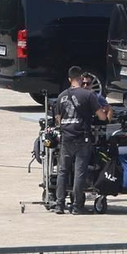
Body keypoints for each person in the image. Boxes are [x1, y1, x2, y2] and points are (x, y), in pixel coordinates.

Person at [51, 67, 103, 213]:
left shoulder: (61, 96)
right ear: (81, 78)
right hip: (82, 137)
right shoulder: (88, 95)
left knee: (62, 171)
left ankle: (59, 204)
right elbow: (102, 117)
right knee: (80, 171)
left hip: (66, 137)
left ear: (69, 79)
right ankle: (77, 206)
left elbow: (57, 120)